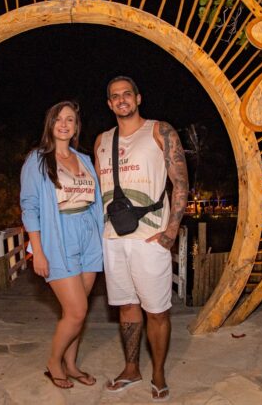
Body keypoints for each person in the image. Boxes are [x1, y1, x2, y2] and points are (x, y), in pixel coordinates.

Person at [94, 76, 188, 402]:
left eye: (127, 94)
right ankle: (131, 368)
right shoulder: (102, 140)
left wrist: (171, 231)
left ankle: (158, 372)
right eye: (115, 96)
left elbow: (180, 182)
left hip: (150, 237)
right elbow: (99, 193)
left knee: (157, 311)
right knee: (126, 307)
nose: (121, 100)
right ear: (109, 104)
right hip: (113, 238)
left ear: (138, 98)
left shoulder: (160, 131)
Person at [20, 101, 105, 389]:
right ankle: (54, 363)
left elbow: (96, 200)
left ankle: (71, 364)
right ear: (50, 124)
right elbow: (29, 207)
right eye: (58, 119)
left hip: (89, 235)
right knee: (77, 311)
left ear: (76, 126)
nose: (64, 124)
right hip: (58, 236)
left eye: (70, 119)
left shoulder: (85, 159)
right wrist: (38, 251)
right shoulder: (37, 159)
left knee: (76, 313)